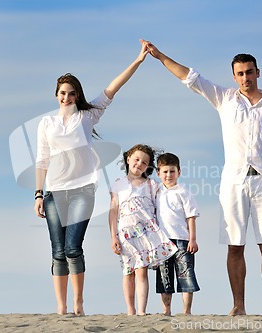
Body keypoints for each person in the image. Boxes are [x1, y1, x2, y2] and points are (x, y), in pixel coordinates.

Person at [141, 39, 262, 316]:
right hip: (234, 181)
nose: (245, 77)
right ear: (234, 76)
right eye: (240, 73)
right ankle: (239, 305)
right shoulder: (225, 98)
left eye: (249, 72)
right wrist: (159, 55)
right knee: (235, 245)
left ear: (258, 72)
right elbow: (190, 77)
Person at [34, 42, 149, 316]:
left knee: (74, 248)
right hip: (53, 193)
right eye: (62, 93)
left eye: (71, 93)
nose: (67, 97)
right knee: (58, 251)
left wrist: (138, 60)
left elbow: (113, 88)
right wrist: (38, 194)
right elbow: (42, 160)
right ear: (56, 95)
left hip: (82, 191)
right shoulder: (46, 124)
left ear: (77, 96)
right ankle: (61, 307)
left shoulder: (88, 116)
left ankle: (78, 303)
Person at [108, 144, 178, 316]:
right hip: (125, 235)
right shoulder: (118, 184)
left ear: (148, 166)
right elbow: (113, 211)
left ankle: (141, 311)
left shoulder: (151, 184)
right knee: (128, 271)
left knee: (141, 271)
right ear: (128, 159)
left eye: (144, 162)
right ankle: (130, 310)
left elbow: (162, 205)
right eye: (137, 159)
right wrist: (113, 237)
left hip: (146, 234)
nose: (139, 164)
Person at [155, 152, 200, 315]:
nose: (168, 175)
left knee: (186, 275)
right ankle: (166, 310)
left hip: (182, 240)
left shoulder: (184, 192)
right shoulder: (156, 191)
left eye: (172, 171)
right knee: (164, 277)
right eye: (165, 171)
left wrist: (192, 239)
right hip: (162, 242)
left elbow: (191, 217)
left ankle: (186, 311)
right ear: (158, 173)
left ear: (179, 172)